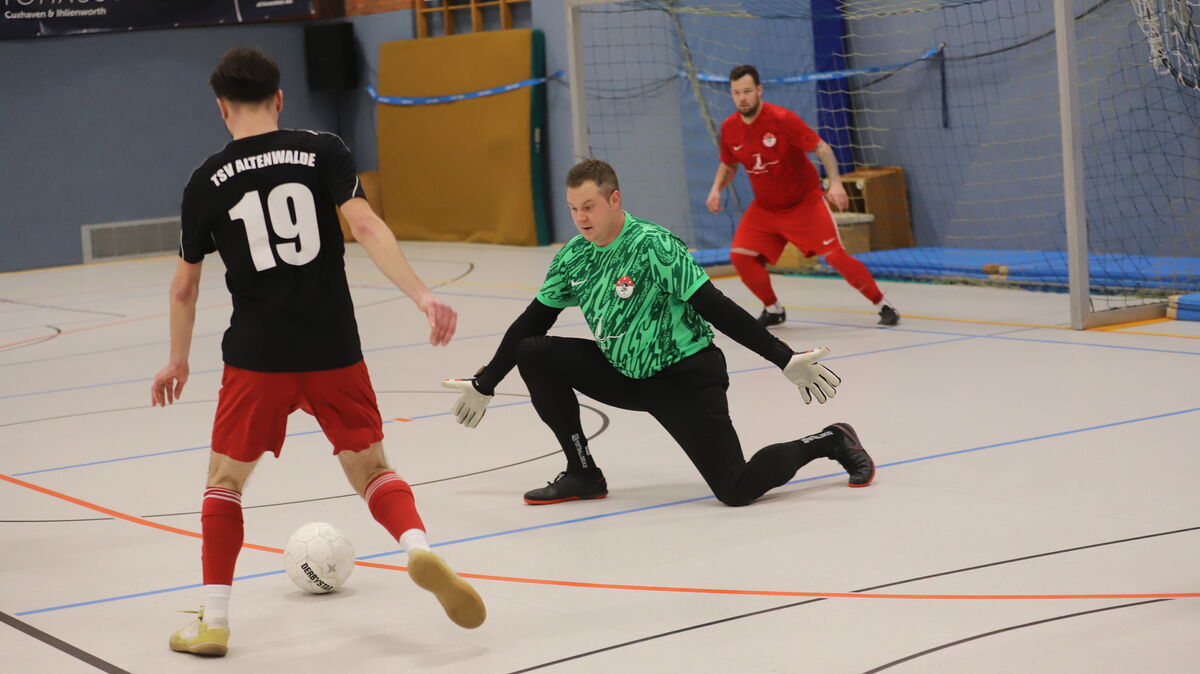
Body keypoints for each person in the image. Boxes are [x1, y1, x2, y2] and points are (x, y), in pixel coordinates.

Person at [150, 47, 484, 657]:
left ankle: (215, 621)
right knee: (373, 468)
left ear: (221, 107)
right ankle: (419, 548)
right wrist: (422, 295)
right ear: (279, 100)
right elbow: (364, 226)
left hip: (257, 354)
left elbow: (183, 286)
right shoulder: (322, 149)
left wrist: (177, 359)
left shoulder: (205, 180)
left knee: (224, 483)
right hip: (334, 346)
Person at [442, 158, 874, 508]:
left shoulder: (654, 245)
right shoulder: (574, 257)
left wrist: (782, 357)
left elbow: (715, 307)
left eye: (589, 206)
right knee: (534, 351)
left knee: (736, 489)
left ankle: (831, 439)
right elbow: (532, 321)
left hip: (684, 377)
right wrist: (486, 382)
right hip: (624, 373)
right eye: (573, 208)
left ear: (615, 199)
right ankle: (583, 473)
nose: (580, 218)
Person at [706, 64, 900, 328]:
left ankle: (883, 304)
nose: (743, 98)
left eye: (748, 91)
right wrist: (716, 189)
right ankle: (773, 309)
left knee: (834, 256)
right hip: (766, 208)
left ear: (759, 90)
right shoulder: (729, 128)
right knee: (740, 256)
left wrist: (835, 184)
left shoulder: (782, 119)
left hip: (803, 203)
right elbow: (728, 164)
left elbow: (822, 148)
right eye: (737, 93)